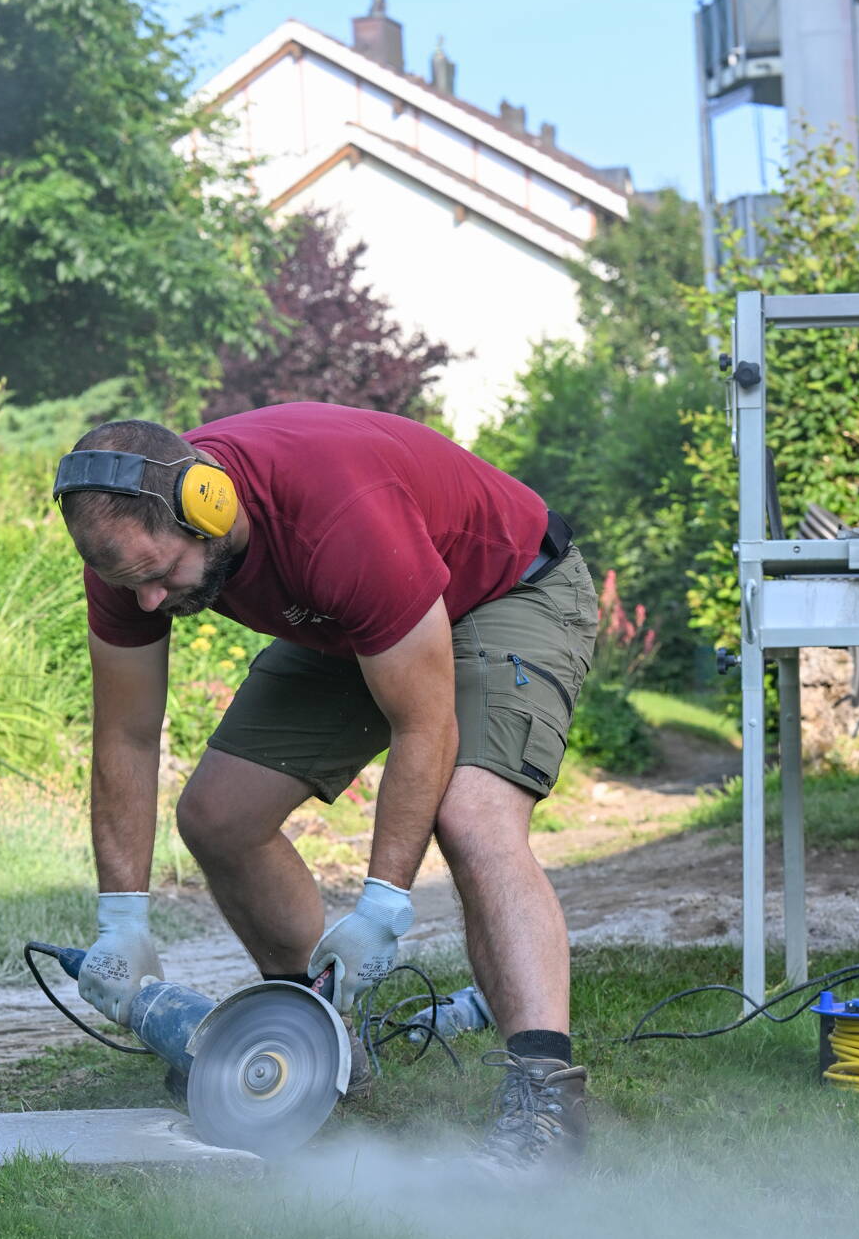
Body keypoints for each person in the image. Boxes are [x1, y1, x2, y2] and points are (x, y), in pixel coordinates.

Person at [55, 403, 598, 1180]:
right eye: (128, 583)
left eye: (159, 576)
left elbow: (425, 725)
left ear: (206, 505)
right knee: (217, 815)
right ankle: (315, 1044)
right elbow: (127, 737)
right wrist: (122, 917)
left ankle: (546, 1104)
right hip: (354, 621)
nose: (148, 603)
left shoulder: (339, 516)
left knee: (473, 816)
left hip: (507, 592)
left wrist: (382, 906)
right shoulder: (128, 556)